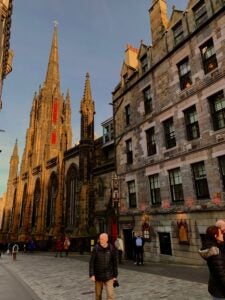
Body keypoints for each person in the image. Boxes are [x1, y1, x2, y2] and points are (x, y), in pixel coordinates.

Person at [199, 225, 225, 299]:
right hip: (221, 291)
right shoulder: (215, 252)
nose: (223, 235)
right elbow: (221, 275)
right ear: (215, 235)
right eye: (221, 233)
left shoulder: (211, 246)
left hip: (215, 288)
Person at [89, 233, 118, 300]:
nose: (100, 240)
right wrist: (92, 275)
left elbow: (114, 263)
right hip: (98, 275)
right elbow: (91, 262)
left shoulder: (111, 248)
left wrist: (115, 276)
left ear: (106, 239)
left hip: (109, 275)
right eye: (100, 238)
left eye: (102, 239)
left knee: (110, 295)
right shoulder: (96, 248)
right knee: (98, 295)